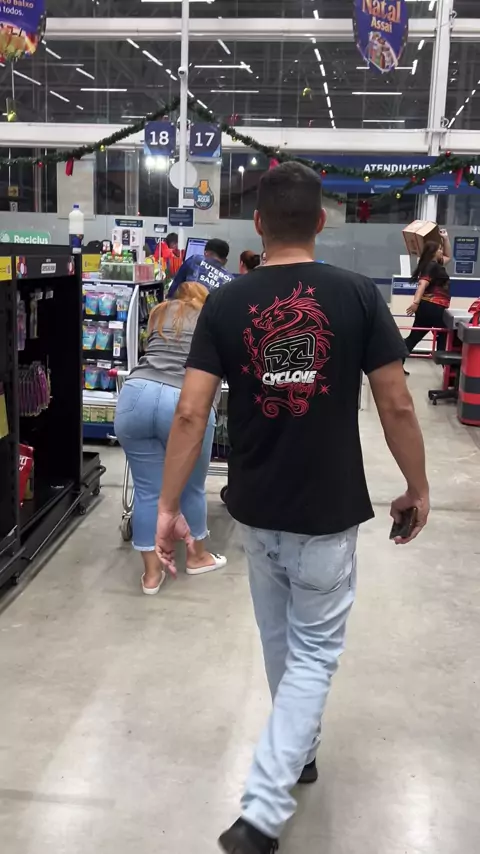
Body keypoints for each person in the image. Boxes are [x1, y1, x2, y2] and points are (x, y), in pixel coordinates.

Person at [155, 162, 430, 853]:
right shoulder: (357, 296)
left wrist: (167, 506)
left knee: (283, 646)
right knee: (311, 655)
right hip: (327, 512)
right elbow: (396, 402)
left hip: (258, 509)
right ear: (321, 222)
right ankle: (263, 808)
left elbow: (190, 413)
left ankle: (299, 751)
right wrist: (417, 486)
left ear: (257, 225)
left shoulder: (226, 303)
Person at [114, 281, 227, 596]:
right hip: (184, 398)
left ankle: (152, 576)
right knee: (190, 485)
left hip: (136, 394)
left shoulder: (159, 313)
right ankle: (197, 557)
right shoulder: (210, 317)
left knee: (147, 491)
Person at [403, 234, 452, 372]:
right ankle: (448, 370)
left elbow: (448, 256)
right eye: (439, 249)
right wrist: (415, 302)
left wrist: (445, 238)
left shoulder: (434, 265)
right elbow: (422, 284)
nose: (441, 251)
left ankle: (396, 362)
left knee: (414, 337)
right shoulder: (431, 266)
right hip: (433, 306)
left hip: (429, 307)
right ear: (433, 252)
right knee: (444, 336)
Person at [168, 238, 235, 296]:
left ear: (206, 253)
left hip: (187, 304)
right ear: (225, 261)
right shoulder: (231, 280)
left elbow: (174, 288)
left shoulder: (194, 259)